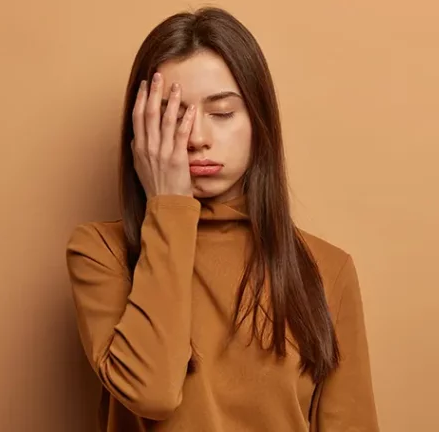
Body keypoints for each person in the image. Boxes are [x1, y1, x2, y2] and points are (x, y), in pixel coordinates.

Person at [66, 7, 379, 431]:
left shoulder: (327, 268)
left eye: (222, 113)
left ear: (258, 121)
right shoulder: (101, 253)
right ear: (140, 131)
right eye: (173, 116)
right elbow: (152, 393)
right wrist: (170, 206)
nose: (196, 138)